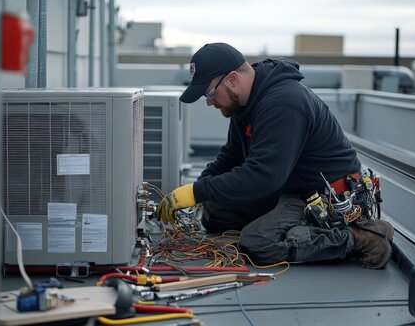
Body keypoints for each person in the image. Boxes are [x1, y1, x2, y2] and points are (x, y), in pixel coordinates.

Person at [156, 42, 393, 269]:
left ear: (232, 79)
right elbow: (231, 158)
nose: (209, 102)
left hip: (324, 197)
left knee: (257, 243)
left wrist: (196, 192)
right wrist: (197, 190)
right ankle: (288, 228)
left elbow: (263, 176)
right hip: (289, 187)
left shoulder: (284, 103)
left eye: (209, 93)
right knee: (215, 210)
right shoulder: (245, 106)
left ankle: (362, 237)